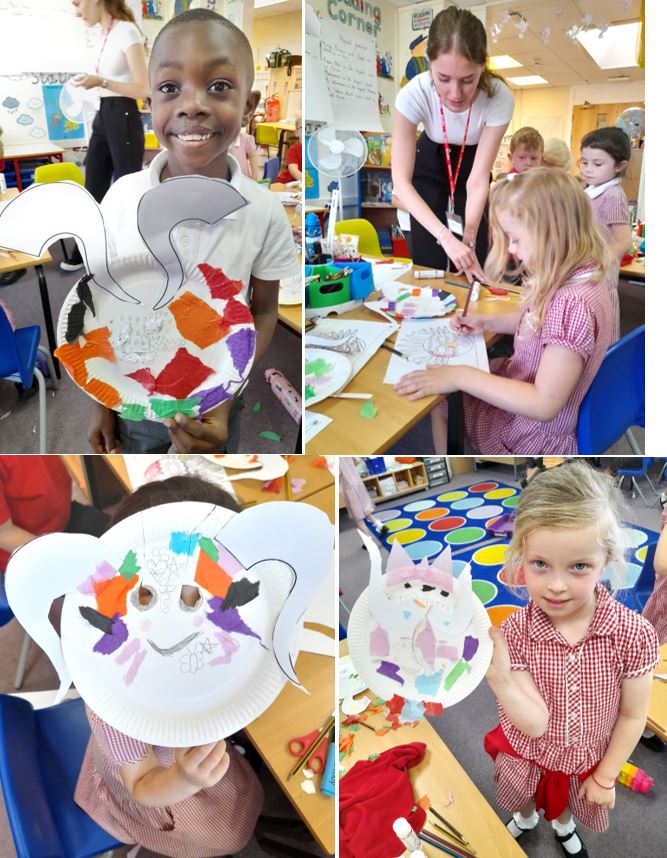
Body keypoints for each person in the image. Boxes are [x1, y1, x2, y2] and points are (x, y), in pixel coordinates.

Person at [87, 9, 300, 454]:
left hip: (215, 405)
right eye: (169, 88)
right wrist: (101, 400)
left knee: (211, 487)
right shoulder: (121, 199)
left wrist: (224, 391)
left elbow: (263, 312)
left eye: (218, 86)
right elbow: (101, 307)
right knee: (146, 487)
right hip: (134, 400)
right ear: (150, 104)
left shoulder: (262, 211)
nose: (192, 103)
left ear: (248, 105)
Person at [71, 475, 264, 858]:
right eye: (152, 596)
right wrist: (182, 779)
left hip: (197, 741)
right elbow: (142, 783)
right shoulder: (116, 695)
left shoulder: (220, 619)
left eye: (200, 595)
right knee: (226, 833)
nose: (188, 615)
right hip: (160, 780)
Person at [484, 462, 659, 857]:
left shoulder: (632, 635)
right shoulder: (513, 632)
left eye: (579, 566)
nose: (557, 585)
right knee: (523, 795)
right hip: (526, 751)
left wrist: (607, 775)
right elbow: (532, 723)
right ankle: (527, 818)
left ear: (608, 558)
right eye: (539, 564)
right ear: (520, 558)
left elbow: (633, 716)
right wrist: (501, 680)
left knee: (565, 802)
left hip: (586, 757)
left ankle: (563, 827)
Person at [395, 169, 616, 454]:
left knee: (442, 396)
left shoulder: (572, 303)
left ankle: (447, 459)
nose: (511, 249)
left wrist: (460, 376)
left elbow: (543, 404)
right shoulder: (581, 277)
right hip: (531, 397)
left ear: (553, 233)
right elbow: (539, 323)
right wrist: (487, 321)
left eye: (516, 238)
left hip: (530, 433)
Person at [392, 6, 514, 280]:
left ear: (482, 66)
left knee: (473, 255)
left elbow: (478, 178)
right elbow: (401, 183)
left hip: (471, 163)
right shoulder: (413, 94)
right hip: (430, 158)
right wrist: (445, 237)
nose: (455, 94)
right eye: (443, 79)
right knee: (429, 256)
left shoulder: (499, 97)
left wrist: (468, 238)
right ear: (429, 64)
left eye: (468, 80)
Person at [62, 0, 149, 272]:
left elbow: (142, 88)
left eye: (77, 3)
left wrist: (101, 81)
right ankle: (85, 250)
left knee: (128, 190)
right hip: (104, 112)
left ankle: (134, 255)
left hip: (123, 113)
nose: (76, 12)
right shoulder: (104, 34)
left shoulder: (127, 31)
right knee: (94, 184)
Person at [0, 455, 109, 573]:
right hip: (27, 551)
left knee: (123, 549)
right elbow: (4, 534)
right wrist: (59, 557)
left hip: (65, 516)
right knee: (93, 580)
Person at [580, 127, 632, 337]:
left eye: (597, 164)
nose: (588, 169)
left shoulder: (612, 195)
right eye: (584, 162)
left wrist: (599, 265)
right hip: (585, 271)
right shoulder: (590, 189)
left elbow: (623, 241)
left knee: (601, 333)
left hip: (600, 277)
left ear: (620, 165)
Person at [339, 457, 389, 538]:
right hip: (358, 482)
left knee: (358, 517)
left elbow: (337, 473)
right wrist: (350, 468)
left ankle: (368, 541)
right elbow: (358, 460)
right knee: (365, 510)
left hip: (349, 486)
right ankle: (381, 526)